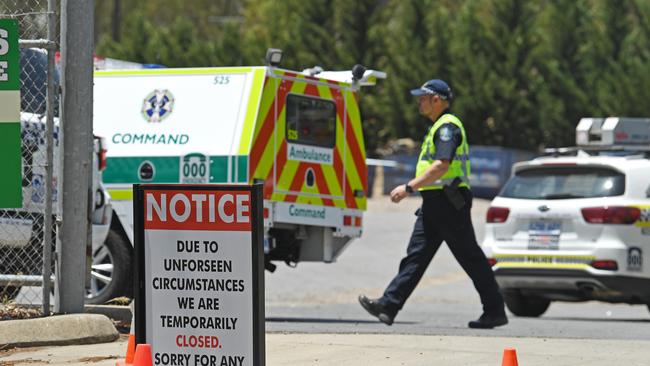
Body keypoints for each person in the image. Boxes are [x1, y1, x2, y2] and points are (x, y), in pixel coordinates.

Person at [358, 79, 508, 329]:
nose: (419, 101)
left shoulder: (447, 127)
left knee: (469, 257)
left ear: (436, 99)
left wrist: (408, 188)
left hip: (448, 201)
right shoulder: (439, 125)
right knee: (416, 256)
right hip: (437, 201)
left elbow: (442, 165)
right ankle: (389, 305)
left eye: (423, 97)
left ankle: (494, 310)